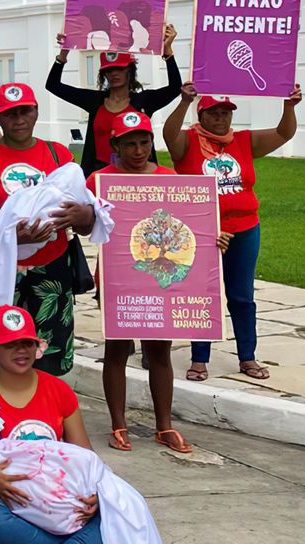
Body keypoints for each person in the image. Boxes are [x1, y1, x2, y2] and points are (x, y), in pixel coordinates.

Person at [163, 82, 302, 383]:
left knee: (242, 296)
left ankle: (247, 356)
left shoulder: (243, 141)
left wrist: (288, 107)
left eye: (226, 112)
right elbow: (168, 135)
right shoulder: (187, 142)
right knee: (204, 294)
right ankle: (199, 358)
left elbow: (283, 133)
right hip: (203, 231)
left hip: (245, 228)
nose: (221, 118)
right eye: (214, 112)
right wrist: (184, 102)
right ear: (201, 115)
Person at [87, 111, 205, 454]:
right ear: (115, 146)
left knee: (160, 352)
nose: (138, 151)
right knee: (117, 349)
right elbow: (81, 218)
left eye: (144, 142)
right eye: (129, 144)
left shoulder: (169, 177)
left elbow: (191, 223)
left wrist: (215, 238)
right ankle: (118, 424)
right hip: (116, 278)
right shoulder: (99, 180)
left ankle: (164, 426)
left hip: (159, 280)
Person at [0, 84, 95, 377]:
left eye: (25, 111)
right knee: (1, 350)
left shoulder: (58, 154)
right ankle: (2, 418)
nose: (19, 119)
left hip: (52, 269)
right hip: (2, 270)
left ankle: (46, 417)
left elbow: (86, 216)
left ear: (36, 112)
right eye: (10, 114)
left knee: (48, 353)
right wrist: (9, 236)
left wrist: (82, 213)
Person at [0, 305, 100, 544]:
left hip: (58, 497)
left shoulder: (59, 390)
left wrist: (96, 495)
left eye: (27, 343)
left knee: (115, 514)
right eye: (10, 344)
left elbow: (85, 458)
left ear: (37, 346)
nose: (21, 351)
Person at [45, 25, 181, 175]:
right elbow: (53, 85)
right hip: (99, 173)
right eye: (109, 70)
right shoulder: (94, 101)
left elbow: (175, 88)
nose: (114, 74)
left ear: (130, 70)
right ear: (103, 74)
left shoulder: (144, 101)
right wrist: (64, 52)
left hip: (138, 173)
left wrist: (167, 50)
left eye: (119, 69)